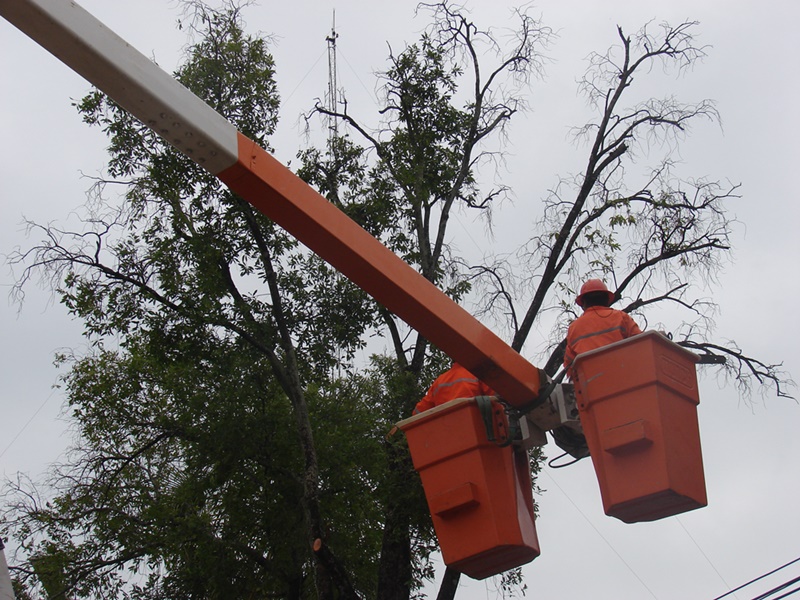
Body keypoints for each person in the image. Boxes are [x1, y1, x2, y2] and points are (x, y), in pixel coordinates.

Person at [563, 279, 642, 380]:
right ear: (606, 300)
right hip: (624, 378)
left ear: (583, 303)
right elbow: (642, 345)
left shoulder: (574, 328)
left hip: (591, 385)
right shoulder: (621, 317)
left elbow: (570, 368)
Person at [413, 362, 498, 415]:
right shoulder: (478, 374)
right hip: (476, 431)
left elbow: (418, 412)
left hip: (448, 434)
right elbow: (498, 400)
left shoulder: (440, 381)